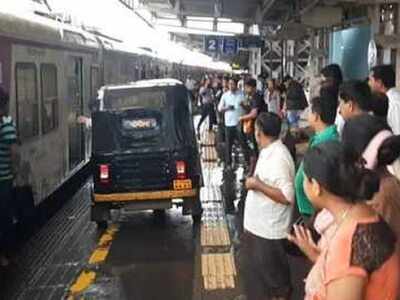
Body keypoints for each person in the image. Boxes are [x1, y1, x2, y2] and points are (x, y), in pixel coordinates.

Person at [289, 141, 399, 300]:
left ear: (316, 187)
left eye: (305, 179)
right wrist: (317, 257)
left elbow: (347, 266)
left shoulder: (347, 245)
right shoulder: (365, 214)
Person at [240, 112, 295, 300]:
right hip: (260, 229)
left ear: (259, 132)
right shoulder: (267, 150)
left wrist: (257, 185)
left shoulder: (279, 156)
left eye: (255, 129)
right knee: (265, 277)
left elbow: (287, 196)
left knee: (277, 282)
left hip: (270, 232)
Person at [295, 95, 339, 217]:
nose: (307, 114)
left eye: (309, 111)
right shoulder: (324, 136)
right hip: (310, 204)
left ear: (316, 116)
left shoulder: (325, 141)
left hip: (314, 209)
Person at [0, 87, 18, 267]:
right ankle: (6, 257)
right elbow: (13, 153)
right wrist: (16, 171)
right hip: (3, 179)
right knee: (5, 218)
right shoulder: (6, 123)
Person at [218, 78, 249, 167]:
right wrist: (227, 108)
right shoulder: (225, 95)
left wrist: (243, 105)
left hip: (239, 123)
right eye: (229, 84)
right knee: (229, 145)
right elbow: (220, 108)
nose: (231, 86)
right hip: (228, 124)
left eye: (233, 84)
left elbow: (247, 108)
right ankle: (228, 163)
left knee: (243, 143)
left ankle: (247, 162)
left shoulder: (241, 94)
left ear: (236, 85)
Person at [369, 65, 400, 134]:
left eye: (371, 80)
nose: (369, 83)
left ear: (379, 83)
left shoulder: (395, 103)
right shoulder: (393, 98)